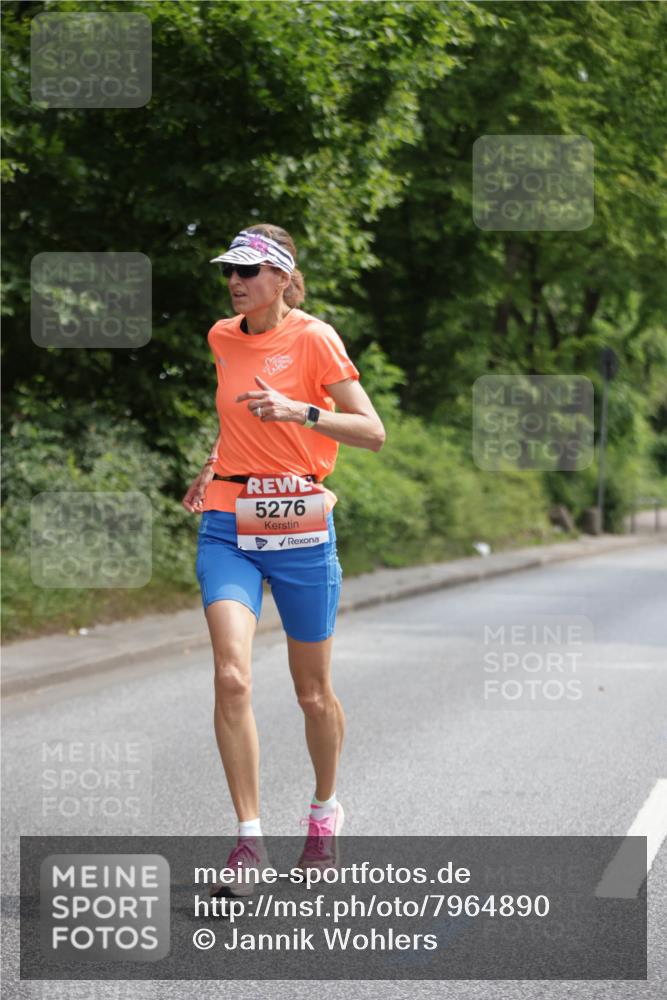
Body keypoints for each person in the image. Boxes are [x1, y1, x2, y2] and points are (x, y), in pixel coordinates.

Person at [182, 223, 385, 895]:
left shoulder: (314, 338)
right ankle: (248, 842)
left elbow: (372, 433)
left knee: (311, 693)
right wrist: (213, 463)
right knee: (232, 678)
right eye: (228, 272)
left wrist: (300, 411)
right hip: (227, 523)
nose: (235, 281)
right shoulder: (221, 336)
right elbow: (232, 417)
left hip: (299, 524)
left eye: (247, 270)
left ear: (279, 276)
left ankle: (324, 812)